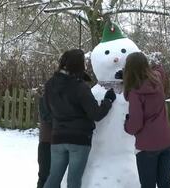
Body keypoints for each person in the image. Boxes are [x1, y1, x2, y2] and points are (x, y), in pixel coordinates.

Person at [43, 49, 116, 188]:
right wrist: (108, 101)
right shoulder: (79, 87)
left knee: (53, 178)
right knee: (74, 181)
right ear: (79, 65)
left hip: (57, 137)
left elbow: (47, 112)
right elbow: (96, 114)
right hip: (79, 140)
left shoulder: (50, 84)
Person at [123, 52, 170, 188]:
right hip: (166, 141)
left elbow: (135, 125)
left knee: (148, 185)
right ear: (146, 66)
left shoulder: (135, 92)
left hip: (147, 147)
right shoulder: (157, 79)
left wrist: (126, 124)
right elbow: (160, 69)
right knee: (165, 183)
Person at [37, 88, 54, 188]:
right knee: (44, 176)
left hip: (58, 144)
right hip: (46, 144)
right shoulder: (45, 100)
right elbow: (48, 118)